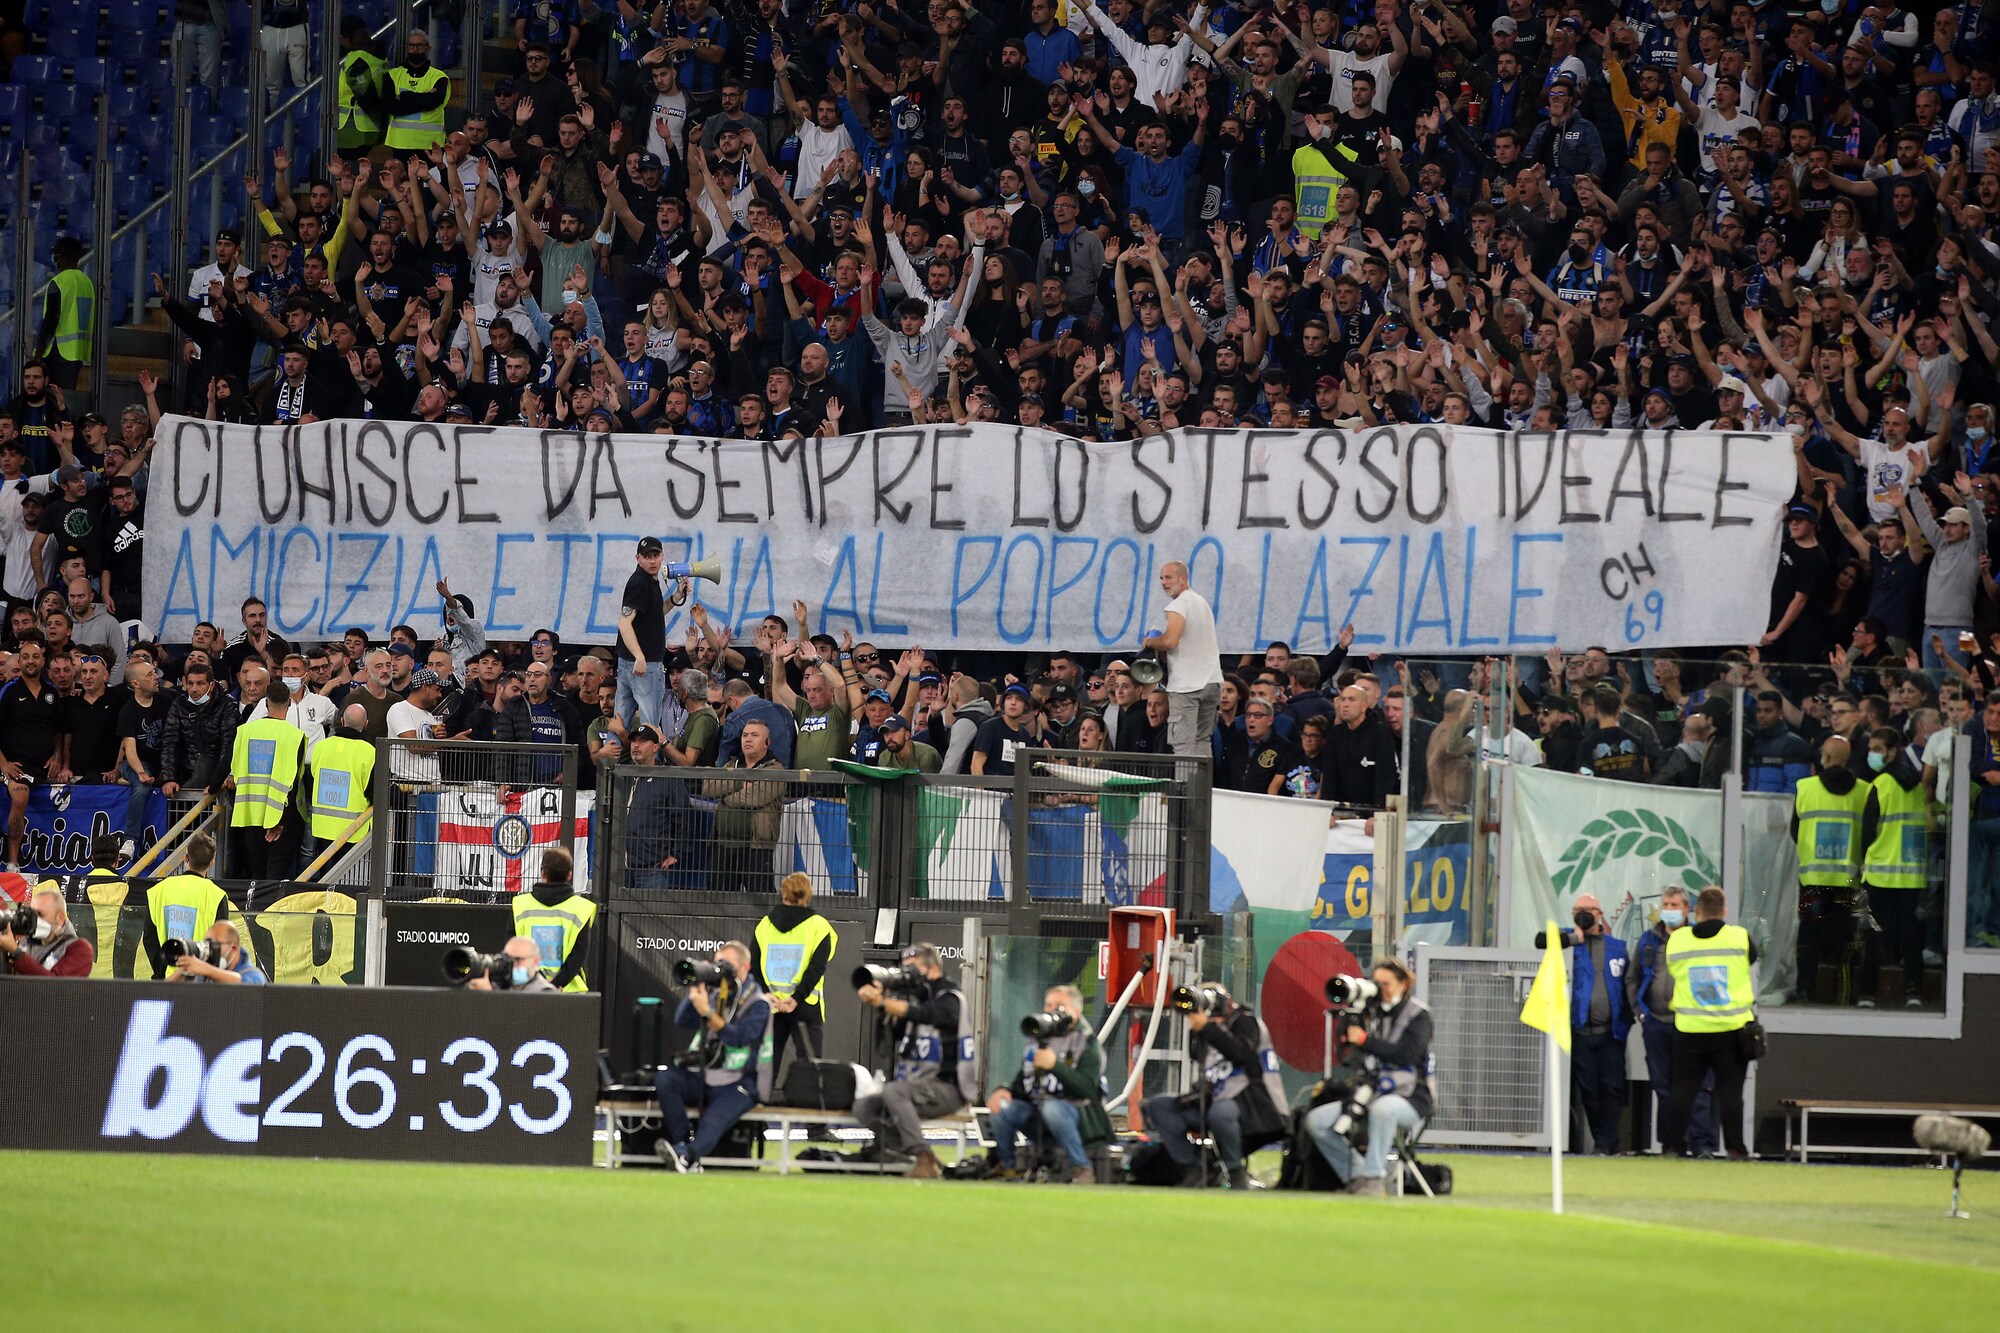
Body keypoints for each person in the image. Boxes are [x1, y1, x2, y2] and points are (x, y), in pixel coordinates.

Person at [1303, 960, 1434, 1195]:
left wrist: (1365, 1040)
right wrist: (1350, 1027)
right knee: (1317, 1122)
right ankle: (1357, 1175)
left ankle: (1374, 1178)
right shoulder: (1372, 1012)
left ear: (1403, 984)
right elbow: (1351, 1053)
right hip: (1372, 1093)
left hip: (1412, 1097)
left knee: (1383, 1110)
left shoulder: (1419, 1015)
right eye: (1377, 983)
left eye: (1387, 984)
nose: (1381, 989)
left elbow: (1405, 1054)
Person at [1141, 983, 1287, 1189]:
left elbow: (1241, 1053)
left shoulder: (1245, 1021)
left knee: (1221, 1112)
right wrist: (1199, 1031)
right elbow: (1197, 1057)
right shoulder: (1207, 1030)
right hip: (1216, 1101)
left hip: (1257, 1107)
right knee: (1160, 1106)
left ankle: (1235, 1174)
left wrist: (1209, 1028)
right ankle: (1194, 1167)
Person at [853, 942, 980, 1178]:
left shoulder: (951, 997)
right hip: (916, 1087)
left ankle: (923, 1157)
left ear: (933, 969)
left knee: (894, 1092)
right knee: (864, 1106)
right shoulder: (915, 1000)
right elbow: (890, 1040)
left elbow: (929, 1015)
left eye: (912, 969)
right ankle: (903, 1152)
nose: (907, 976)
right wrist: (885, 1003)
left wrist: (884, 1003)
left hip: (948, 1088)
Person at [653, 941, 773, 1173]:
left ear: (745, 967)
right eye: (718, 964)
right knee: (667, 1080)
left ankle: (686, 1157)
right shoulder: (716, 994)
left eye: (726, 965)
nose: (721, 970)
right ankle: (682, 1145)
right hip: (706, 1074)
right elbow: (682, 1020)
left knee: (712, 1119)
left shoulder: (758, 1003)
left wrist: (707, 1012)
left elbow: (740, 1038)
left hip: (740, 1080)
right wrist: (697, 989)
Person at [1661, 886, 1755, 1159]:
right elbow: (1752, 958)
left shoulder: (1678, 941)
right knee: (1731, 1094)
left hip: (1690, 1029)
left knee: (1683, 1092)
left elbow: (1672, 969)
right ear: (1724, 911)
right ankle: (1735, 1149)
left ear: (1696, 911)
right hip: (1731, 1030)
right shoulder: (1739, 937)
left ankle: (1672, 1146)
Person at [1535, 895, 1630, 1155]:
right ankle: (1605, 1142)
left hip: (1611, 1033)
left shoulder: (1617, 947)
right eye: (1577, 910)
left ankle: (1605, 1144)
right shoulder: (1566, 940)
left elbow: (1628, 983)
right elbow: (1539, 941)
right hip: (1579, 1032)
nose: (1582, 914)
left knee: (1612, 1088)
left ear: (1600, 913)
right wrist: (1572, 939)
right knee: (1589, 1091)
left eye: (1587, 909)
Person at [986, 984, 1109, 1184]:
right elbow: (1024, 1081)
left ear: (1076, 1013)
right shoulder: (1038, 1040)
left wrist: (1055, 1066)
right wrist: (1004, 1090)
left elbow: (1088, 1089)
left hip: (1078, 1117)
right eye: (1048, 1005)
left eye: (1059, 1005)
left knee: (1053, 1108)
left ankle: (1082, 1168)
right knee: (1002, 1106)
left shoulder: (1087, 1043)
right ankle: (1007, 1167)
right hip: (1038, 1115)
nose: (1052, 1010)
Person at [1629, 888, 1714, 1154]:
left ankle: (1701, 1145)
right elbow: (1632, 978)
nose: (1669, 909)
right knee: (1663, 1088)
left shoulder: (1698, 939)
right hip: (1655, 1023)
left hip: (1690, 1024)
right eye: (1665, 904)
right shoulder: (1648, 940)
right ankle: (1671, 1145)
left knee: (1696, 1086)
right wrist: (1640, 1012)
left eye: (1675, 904)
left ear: (1687, 909)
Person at [1792, 736, 1868, 1003]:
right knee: (1845, 941)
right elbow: (1869, 833)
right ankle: (1843, 995)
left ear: (1825, 757)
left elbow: (1794, 830)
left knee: (1809, 939)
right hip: (1848, 880)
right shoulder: (1864, 790)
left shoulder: (1805, 788)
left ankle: (1804, 990)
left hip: (1813, 879)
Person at [1858, 725, 1929, 1008]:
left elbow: (1868, 829)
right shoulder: (1918, 785)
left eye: (1877, 749)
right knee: (1911, 936)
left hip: (1880, 872)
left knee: (1873, 935)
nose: (1872, 754)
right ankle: (1913, 991)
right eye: (1870, 749)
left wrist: (1861, 860)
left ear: (1893, 751)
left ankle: (1867, 993)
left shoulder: (1881, 784)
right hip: (1911, 873)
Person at [751, 871, 838, 1077]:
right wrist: (796, 998)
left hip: (772, 1006)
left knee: (765, 1070)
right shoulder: (819, 926)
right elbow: (817, 968)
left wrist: (766, 993)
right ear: (808, 895)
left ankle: (761, 1097)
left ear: (784, 894)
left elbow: (754, 965)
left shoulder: (765, 925)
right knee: (809, 1069)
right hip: (805, 1006)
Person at [225, 677, 310, 881]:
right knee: (275, 876)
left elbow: (230, 765)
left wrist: (211, 787)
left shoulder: (245, 732)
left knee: (257, 874)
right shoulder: (295, 736)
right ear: (289, 703)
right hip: (281, 817)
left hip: (250, 816)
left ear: (265, 703)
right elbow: (292, 783)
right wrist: (280, 822)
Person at [1142, 560, 1224, 757]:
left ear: (1183, 578)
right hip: (1212, 682)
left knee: (1183, 747)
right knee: (1202, 741)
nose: (1164, 582)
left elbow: (1170, 641)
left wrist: (1150, 642)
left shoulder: (1178, 605)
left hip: (1187, 686)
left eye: (1168, 577)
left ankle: (1185, 780)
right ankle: (1203, 780)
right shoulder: (1202, 603)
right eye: (1161, 578)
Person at [143, 831, 229, 978]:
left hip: (167, 979)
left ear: (186, 858)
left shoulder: (158, 891)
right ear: (211, 863)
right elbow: (219, 945)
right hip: (200, 981)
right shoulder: (217, 895)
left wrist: (161, 972)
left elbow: (149, 938)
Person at [510, 846, 596, 992]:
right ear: (569, 875)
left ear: (543, 873)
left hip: (527, 989)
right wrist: (556, 983)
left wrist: (535, 983)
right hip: (568, 991)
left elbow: (512, 949)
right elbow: (579, 955)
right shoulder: (582, 908)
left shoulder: (521, 905)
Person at [307, 703, 376, 853]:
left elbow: (313, 779)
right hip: (354, 831)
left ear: (343, 721)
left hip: (322, 828)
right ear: (366, 724)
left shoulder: (321, 746)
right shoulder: (369, 752)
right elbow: (373, 792)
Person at [0, 882, 94, 976]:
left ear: (60, 918)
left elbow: (53, 983)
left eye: (40, 914)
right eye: (32, 914)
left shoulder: (80, 949)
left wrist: (16, 952)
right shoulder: (26, 941)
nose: (34, 919)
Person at [164, 919, 267, 985]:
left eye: (215, 944)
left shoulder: (253, 975)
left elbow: (244, 984)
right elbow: (162, 992)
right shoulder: (202, 975)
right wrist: (183, 971)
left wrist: (207, 970)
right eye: (207, 943)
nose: (211, 948)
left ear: (234, 948)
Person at [466, 935, 559, 992]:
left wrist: (490, 994)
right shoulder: (498, 984)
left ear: (536, 961)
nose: (512, 964)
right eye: (507, 958)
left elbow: (517, 1015)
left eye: (518, 959)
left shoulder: (546, 992)